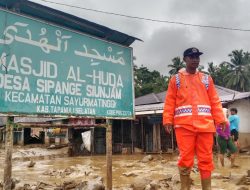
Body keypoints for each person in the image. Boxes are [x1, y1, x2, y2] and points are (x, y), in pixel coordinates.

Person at [163, 47, 226, 190]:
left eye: (197, 57)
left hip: (205, 126)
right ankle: (185, 188)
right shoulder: (176, 79)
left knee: (206, 158)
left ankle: (207, 188)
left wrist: (220, 119)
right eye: (191, 57)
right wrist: (167, 119)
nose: (195, 59)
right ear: (185, 59)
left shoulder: (206, 78)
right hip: (183, 126)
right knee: (185, 158)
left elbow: (214, 100)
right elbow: (170, 101)